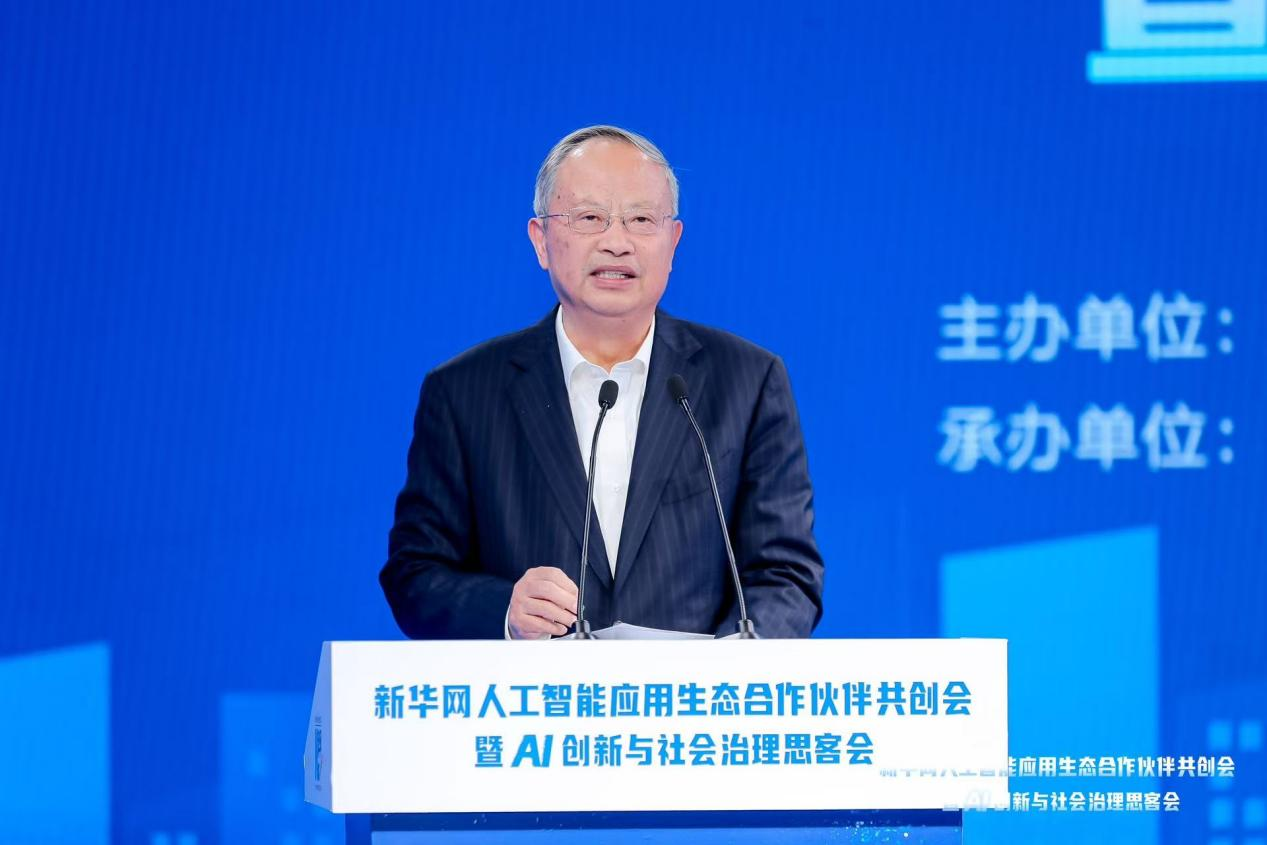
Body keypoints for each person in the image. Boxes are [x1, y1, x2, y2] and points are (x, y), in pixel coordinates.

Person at [381, 125, 823, 640]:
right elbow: (415, 574)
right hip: (536, 692)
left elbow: (787, 575)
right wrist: (504, 610)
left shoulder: (748, 381)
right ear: (541, 241)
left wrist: (721, 666)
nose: (616, 242)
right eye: (589, 218)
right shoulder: (463, 393)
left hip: (695, 693)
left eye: (641, 219)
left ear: (673, 242)